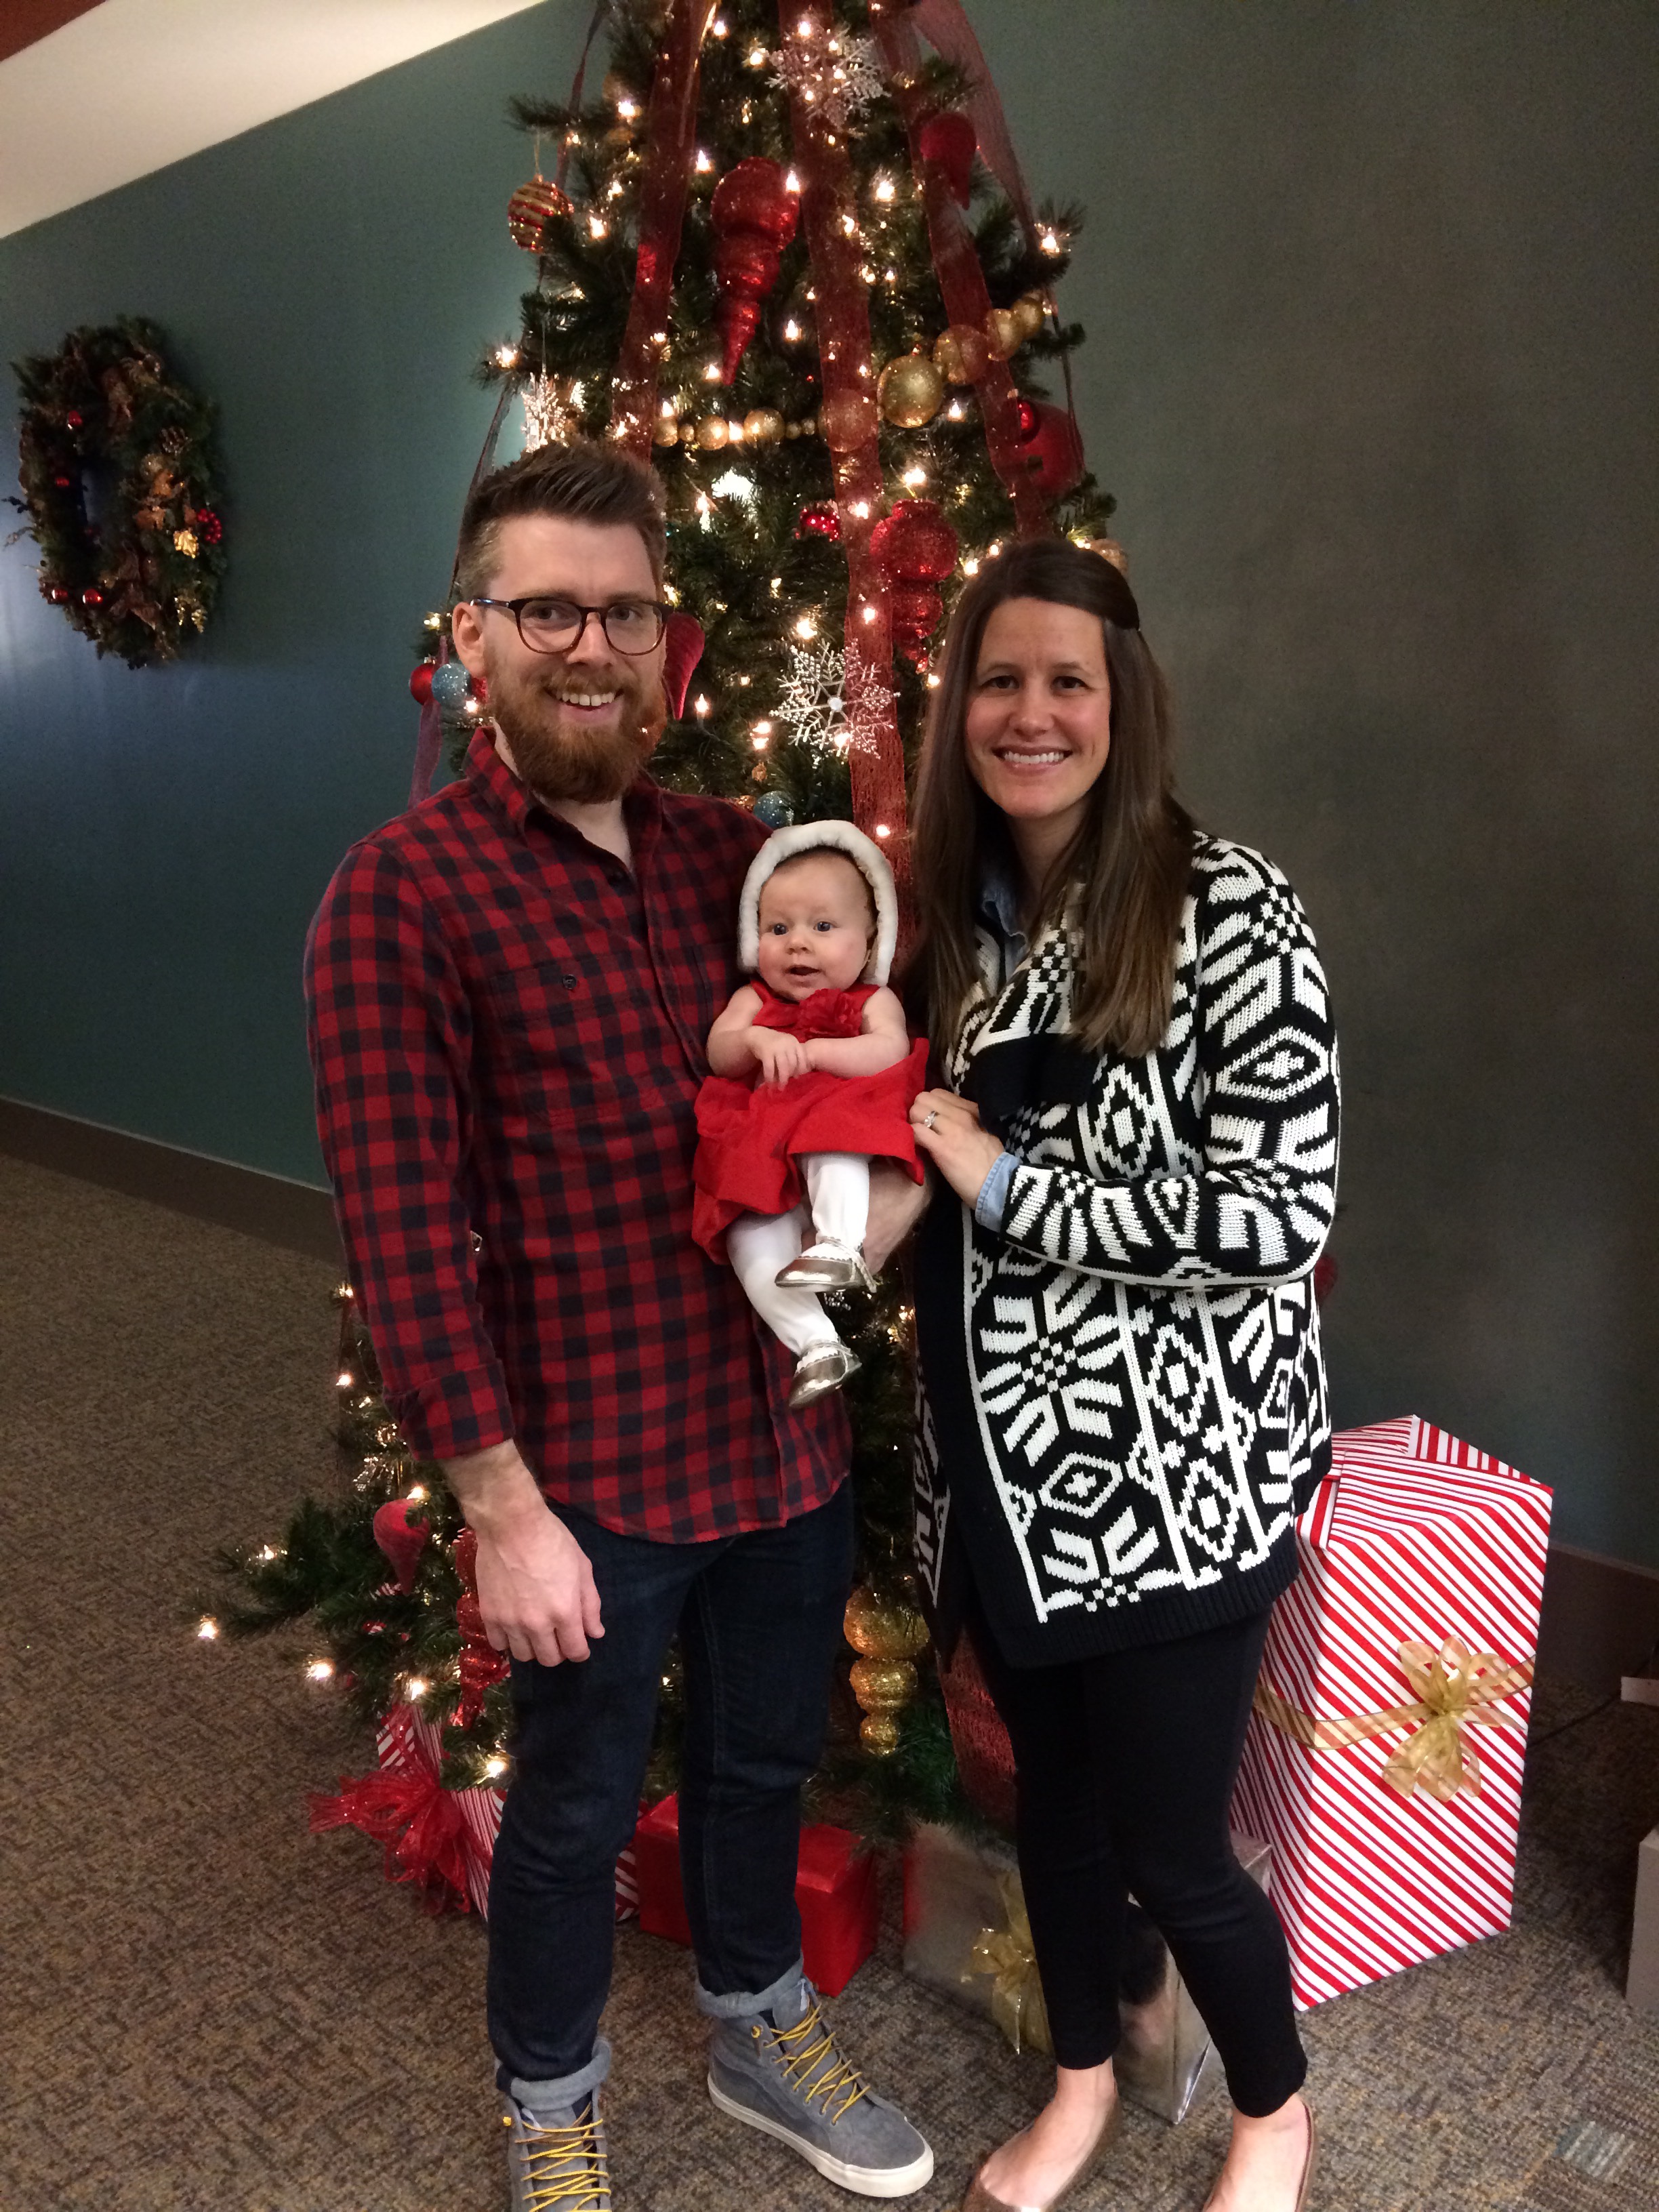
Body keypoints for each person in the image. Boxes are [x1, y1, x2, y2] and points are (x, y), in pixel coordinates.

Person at [304, 439, 933, 2212]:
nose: (593, 647)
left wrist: (889, 1203)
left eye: (628, 613)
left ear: (671, 641)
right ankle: (552, 2099)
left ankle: (756, 2020)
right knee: (574, 1818)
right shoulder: (401, 894)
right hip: (591, 1484)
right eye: (549, 611)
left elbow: (856, 1077)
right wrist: (502, 1513)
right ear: (471, 636)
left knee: (761, 1761)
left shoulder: (739, 859)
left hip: (783, 1448)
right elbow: (403, 1232)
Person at [904, 537, 1336, 2212]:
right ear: (959, 708)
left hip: (1174, 1486)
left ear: (1122, 701)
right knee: (1055, 1821)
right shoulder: (951, 927)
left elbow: (1277, 1209)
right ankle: (1080, 2077)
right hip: (1000, 1491)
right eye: (998, 680)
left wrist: (1016, 1188)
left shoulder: (1229, 906)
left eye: (1065, 681)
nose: (1031, 714)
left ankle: (1273, 2115)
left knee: (1169, 1846)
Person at [693, 821, 928, 1408]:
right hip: (762, 1149)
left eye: (823, 927)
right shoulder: (754, 1000)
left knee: (831, 1137)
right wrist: (754, 1040)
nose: (798, 943)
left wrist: (817, 1055)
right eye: (778, 928)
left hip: (830, 1125)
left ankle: (840, 1242)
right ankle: (816, 1343)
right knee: (748, 1239)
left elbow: (890, 1050)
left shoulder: (872, 1000)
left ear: (870, 943)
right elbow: (718, 1053)